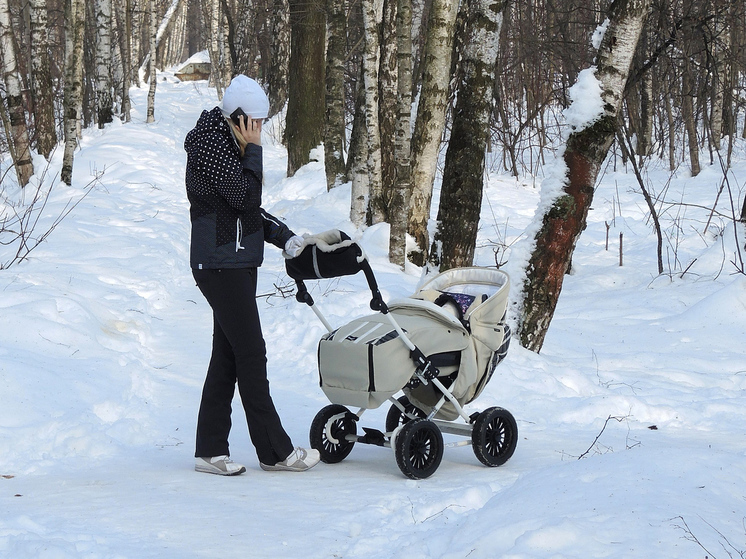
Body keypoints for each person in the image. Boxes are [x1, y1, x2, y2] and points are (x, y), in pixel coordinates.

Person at [184, 75, 319, 475]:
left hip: (235, 261)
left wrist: (285, 238)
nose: (260, 130)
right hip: (219, 263)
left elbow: (246, 213)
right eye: (256, 122)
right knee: (251, 353)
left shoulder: (229, 142)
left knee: (227, 356)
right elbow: (246, 196)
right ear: (239, 118)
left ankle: (210, 450)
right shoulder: (211, 143)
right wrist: (254, 151)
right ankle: (274, 451)